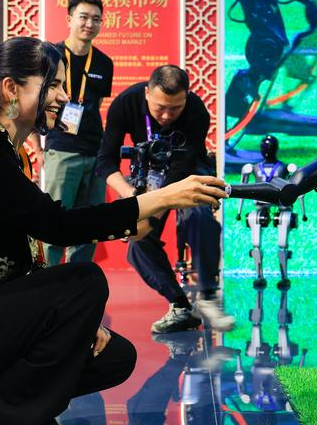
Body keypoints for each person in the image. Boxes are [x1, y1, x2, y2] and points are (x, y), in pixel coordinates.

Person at [0, 37, 227, 425]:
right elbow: (60, 227)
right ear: (11, 90)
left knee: (116, 357)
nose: (62, 96)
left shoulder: (6, 153)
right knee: (84, 280)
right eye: (53, 85)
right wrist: (162, 198)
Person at [96, 65, 230, 334]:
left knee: (199, 216)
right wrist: (130, 197)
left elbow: (181, 170)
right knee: (138, 244)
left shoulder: (196, 110)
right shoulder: (125, 103)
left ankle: (207, 294)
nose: (167, 116)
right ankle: (180, 305)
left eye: (175, 108)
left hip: (189, 169)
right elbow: (105, 161)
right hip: (147, 171)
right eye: (160, 108)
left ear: (186, 98)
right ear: (147, 93)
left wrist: (152, 211)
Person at [42, 0, 114, 265]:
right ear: (70, 18)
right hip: (62, 149)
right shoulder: (52, 55)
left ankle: (78, 283)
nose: (89, 24)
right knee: (55, 220)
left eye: (96, 19)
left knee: (90, 223)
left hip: (95, 151)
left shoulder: (104, 63)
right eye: (83, 17)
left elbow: (94, 105)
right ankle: (47, 283)